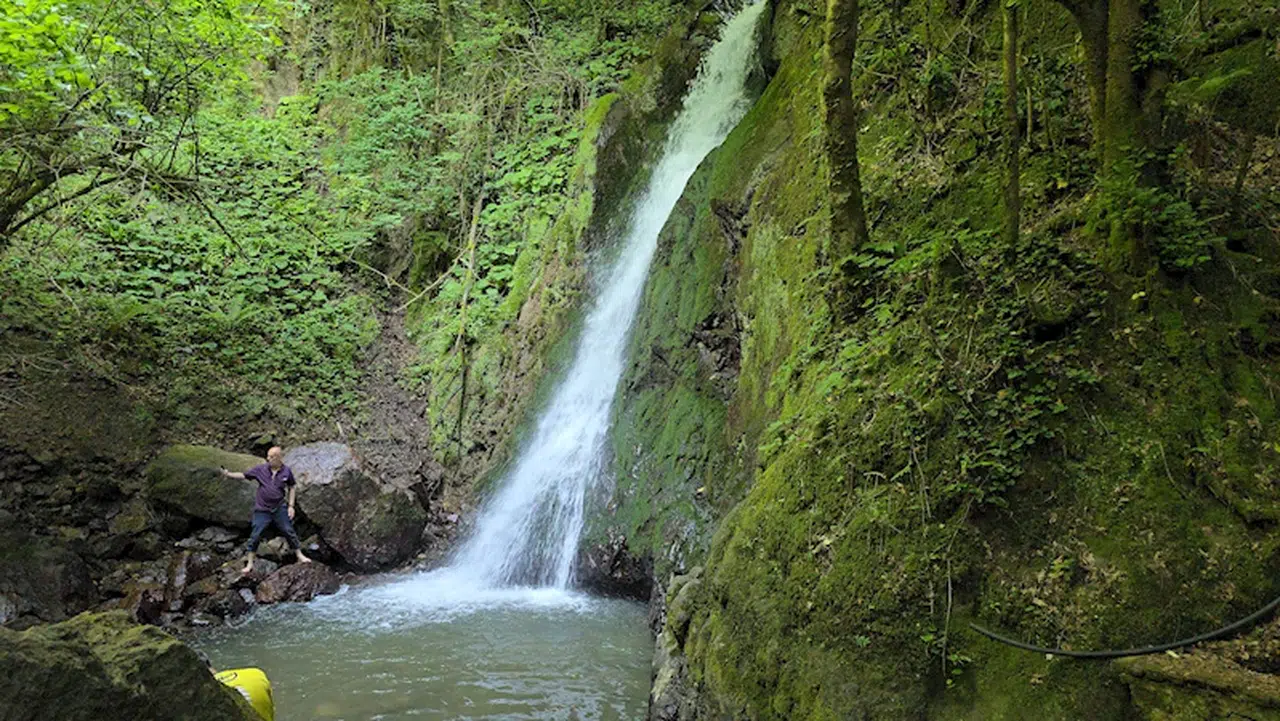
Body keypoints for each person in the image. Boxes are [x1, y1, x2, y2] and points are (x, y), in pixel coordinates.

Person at [222, 446, 311, 574]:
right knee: (256, 534)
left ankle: (299, 555)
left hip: (279, 507)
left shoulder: (286, 471)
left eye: (271, 456)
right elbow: (244, 475)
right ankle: (250, 564)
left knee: (288, 530)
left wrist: (291, 506)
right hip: (262, 509)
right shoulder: (261, 470)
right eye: (268, 456)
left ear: (279, 458)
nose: (268, 459)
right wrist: (228, 474)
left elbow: (292, 487)